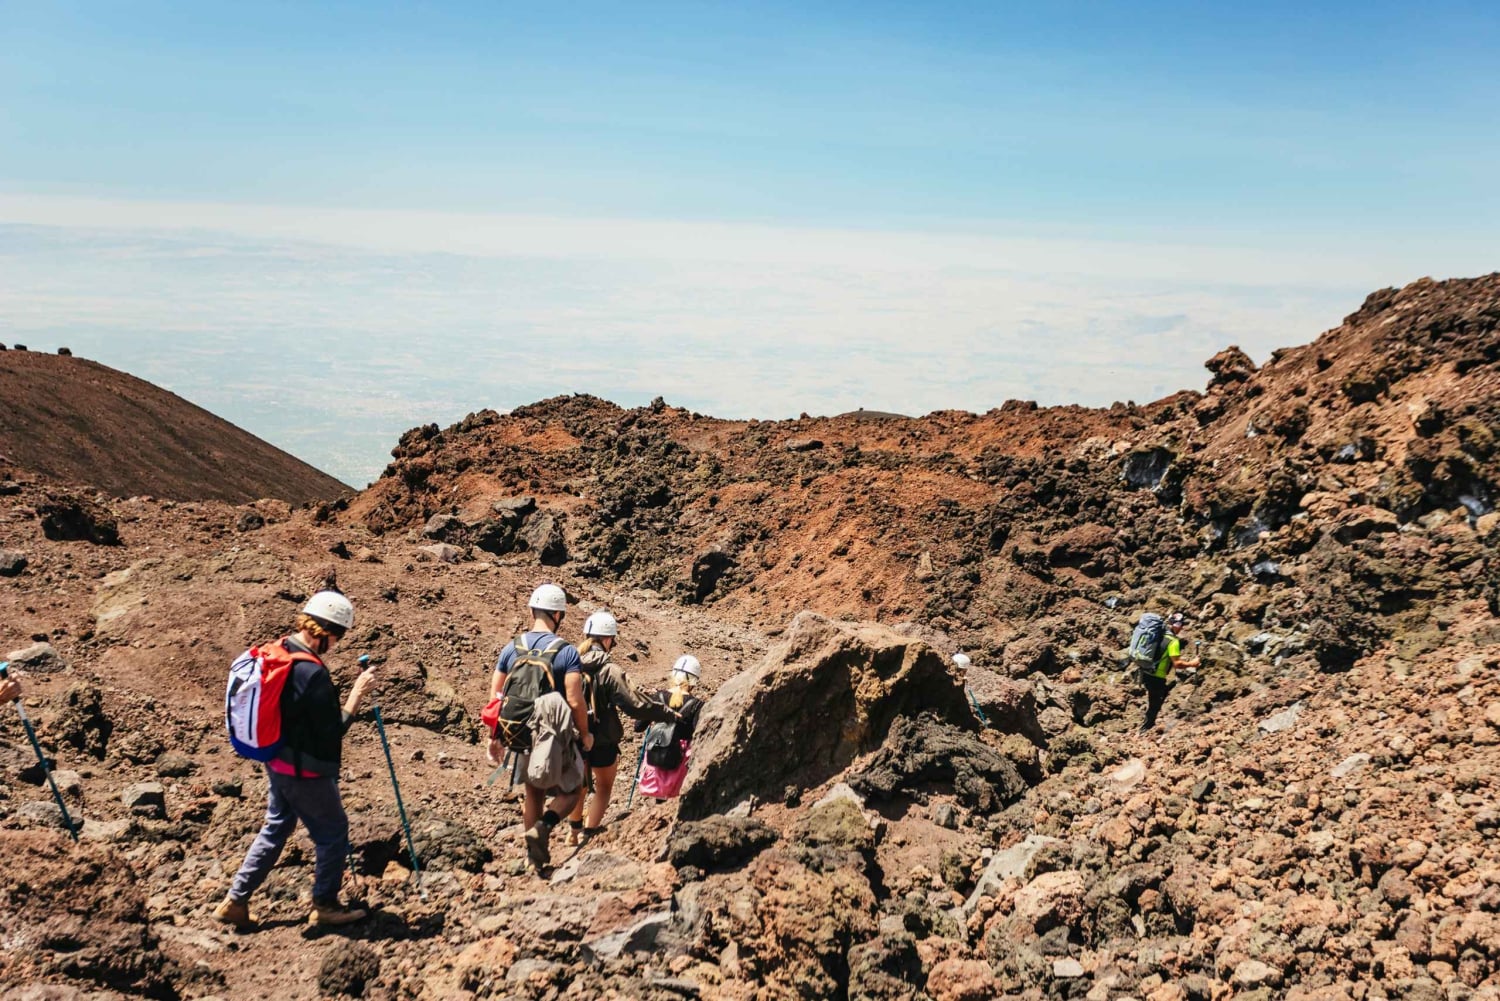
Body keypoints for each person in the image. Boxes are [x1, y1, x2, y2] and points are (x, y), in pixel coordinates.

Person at [215, 591, 375, 929]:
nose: (337, 643)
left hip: (276, 760)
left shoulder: (280, 651)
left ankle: (236, 901)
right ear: (327, 632)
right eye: (338, 636)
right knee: (333, 832)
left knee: (277, 826)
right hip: (305, 770)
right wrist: (357, 695)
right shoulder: (313, 674)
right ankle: (325, 905)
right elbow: (333, 731)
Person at [486, 583, 590, 870]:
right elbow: (575, 699)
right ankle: (544, 826)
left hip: (519, 732)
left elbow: (495, 697)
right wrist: (584, 734)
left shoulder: (512, 648)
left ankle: (533, 858)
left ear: (533, 611)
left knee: (533, 792)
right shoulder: (566, 652)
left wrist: (494, 736)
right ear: (558, 615)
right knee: (573, 789)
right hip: (551, 733)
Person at [566, 610, 680, 843]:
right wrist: (666, 713)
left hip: (574, 735)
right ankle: (589, 832)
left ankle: (573, 832)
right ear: (608, 639)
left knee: (578, 785)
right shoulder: (610, 670)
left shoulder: (569, 665)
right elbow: (635, 705)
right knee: (604, 786)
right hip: (603, 738)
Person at [635, 655, 705, 801]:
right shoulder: (697, 705)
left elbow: (638, 726)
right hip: (680, 759)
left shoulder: (658, 696)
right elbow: (699, 735)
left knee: (660, 797)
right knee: (675, 799)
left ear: (673, 675)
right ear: (694, 681)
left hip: (657, 750)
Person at [1138, 612, 1200, 734]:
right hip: (1157, 677)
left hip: (1146, 672)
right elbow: (1178, 664)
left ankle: (1148, 726)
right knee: (1155, 704)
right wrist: (1193, 663)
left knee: (1160, 696)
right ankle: (1145, 730)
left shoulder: (1159, 635)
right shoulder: (1173, 642)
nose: (1181, 627)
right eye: (1180, 625)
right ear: (1176, 625)